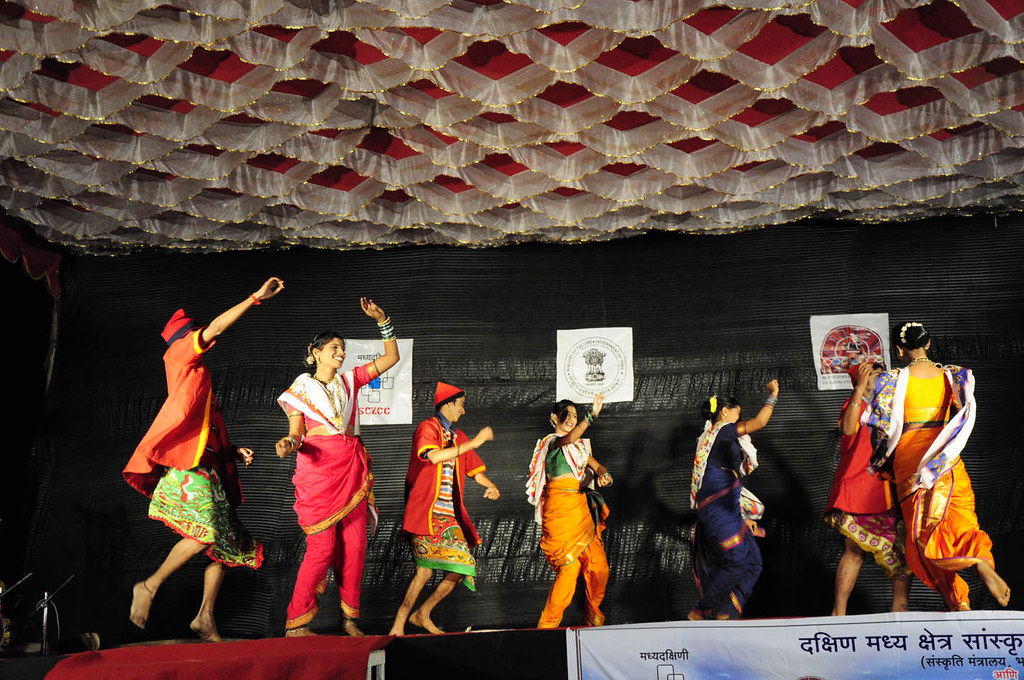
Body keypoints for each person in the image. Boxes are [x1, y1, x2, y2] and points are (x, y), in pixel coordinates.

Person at [124, 277, 284, 641]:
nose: (204, 337)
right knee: (203, 534)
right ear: (184, 337)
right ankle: (149, 586)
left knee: (227, 543)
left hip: (209, 468)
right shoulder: (179, 354)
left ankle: (205, 617)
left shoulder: (198, 377)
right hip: (188, 468)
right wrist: (255, 298)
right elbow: (216, 327)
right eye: (196, 332)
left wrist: (231, 449)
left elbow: (203, 428)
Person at [275, 299, 399, 637]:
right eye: (334, 348)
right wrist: (290, 444)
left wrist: (383, 321)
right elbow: (297, 432)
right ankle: (297, 623)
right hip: (320, 474)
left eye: (343, 349)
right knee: (323, 548)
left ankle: (349, 620)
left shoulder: (350, 381)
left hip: (352, 470)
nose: (341, 353)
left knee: (356, 547)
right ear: (315, 352)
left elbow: (391, 358)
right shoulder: (300, 389)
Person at [868, 321, 1010, 610]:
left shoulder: (891, 381)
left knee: (923, 543)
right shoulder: (954, 376)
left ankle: (959, 602)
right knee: (962, 524)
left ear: (898, 349)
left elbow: (881, 431)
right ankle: (980, 563)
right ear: (928, 344)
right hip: (949, 463)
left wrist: (880, 463)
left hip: (913, 468)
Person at [388, 382, 500, 636]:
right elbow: (434, 456)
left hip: (448, 516)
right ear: (448, 404)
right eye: (461, 405)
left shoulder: (458, 436)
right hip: (425, 513)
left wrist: (490, 485)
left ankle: (422, 613)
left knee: (462, 567)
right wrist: (476, 442)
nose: (463, 410)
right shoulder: (427, 428)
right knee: (424, 571)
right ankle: (398, 624)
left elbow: (474, 469)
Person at [824, 362, 910, 615]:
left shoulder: (892, 409)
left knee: (902, 555)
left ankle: (900, 613)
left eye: (881, 374)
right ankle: (838, 613)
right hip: (860, 489)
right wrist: (859, 388)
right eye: (873, 375)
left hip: (892, 490)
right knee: (854, 550)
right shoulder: (859, 406)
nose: (880, 378)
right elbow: (848, 429)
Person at [688, 380, 779, 620]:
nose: (740, 417)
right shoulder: (721, 430)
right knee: (737, 560)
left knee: (752, 563)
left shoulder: (720, 438)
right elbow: (760, 422)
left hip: (730, 507)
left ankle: (727, 613)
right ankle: (701, 611)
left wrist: (744, 515)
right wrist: (773, 395)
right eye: (737, 412)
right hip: (717, 507)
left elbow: (733, 478)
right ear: (724, 412)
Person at [526, 394, 612, 628]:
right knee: (569, 568)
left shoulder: (579, 449)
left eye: (576, 415)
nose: (572, 419)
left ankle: (592, 617)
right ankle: (546, 627)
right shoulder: (552, 443)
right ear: (554, 418)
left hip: (580, 509)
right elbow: (569, 438)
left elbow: (597, 465)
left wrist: (604, 474)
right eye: (568, 415)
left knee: (599, 567)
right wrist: (590, 416)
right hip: (559, 511)